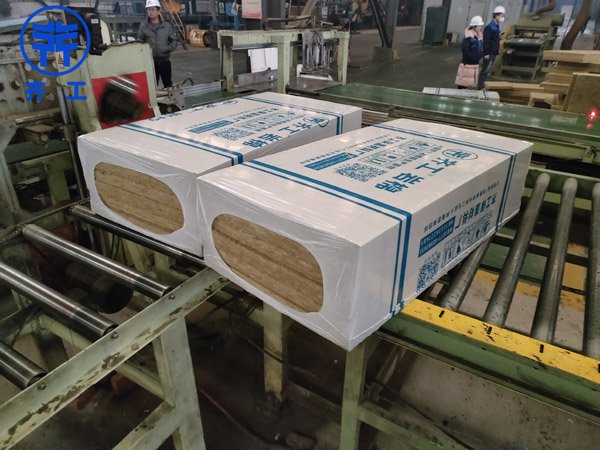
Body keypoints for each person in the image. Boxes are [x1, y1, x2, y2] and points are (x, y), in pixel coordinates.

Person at [138, 0, 178, 88]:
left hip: (165, 62)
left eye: (152, 9)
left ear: (158, 10)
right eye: (148, 9)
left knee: (168, 85)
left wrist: (168, 48)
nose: (150, 12)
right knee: (152, 88)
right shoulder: (143, 26)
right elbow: (140, 42)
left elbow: (174, 40)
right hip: (151, 63)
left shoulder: (166, 26)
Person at [478, 5, 505, 90]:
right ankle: (480, 88)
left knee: (487, 70)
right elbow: (486, 41)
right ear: (496, 15)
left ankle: (482, 86)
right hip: (489, 53)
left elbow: (494, 38)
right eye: (501, 15)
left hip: (493, 52)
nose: (502, 17)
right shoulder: (489, 27)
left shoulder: (496, 26)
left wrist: (499, 37)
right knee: (485, 71)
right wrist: (486, 53)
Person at [455, 15, 484, 89]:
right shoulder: (468, 37)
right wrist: (473, 57)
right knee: (463, 83)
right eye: (479, 26)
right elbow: (465, 50)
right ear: (474, 26)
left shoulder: (478, 36)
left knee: (468, 83)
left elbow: (480, 48)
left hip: (473, 64)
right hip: (467, 64)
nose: (480, 28)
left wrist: (480, 55)